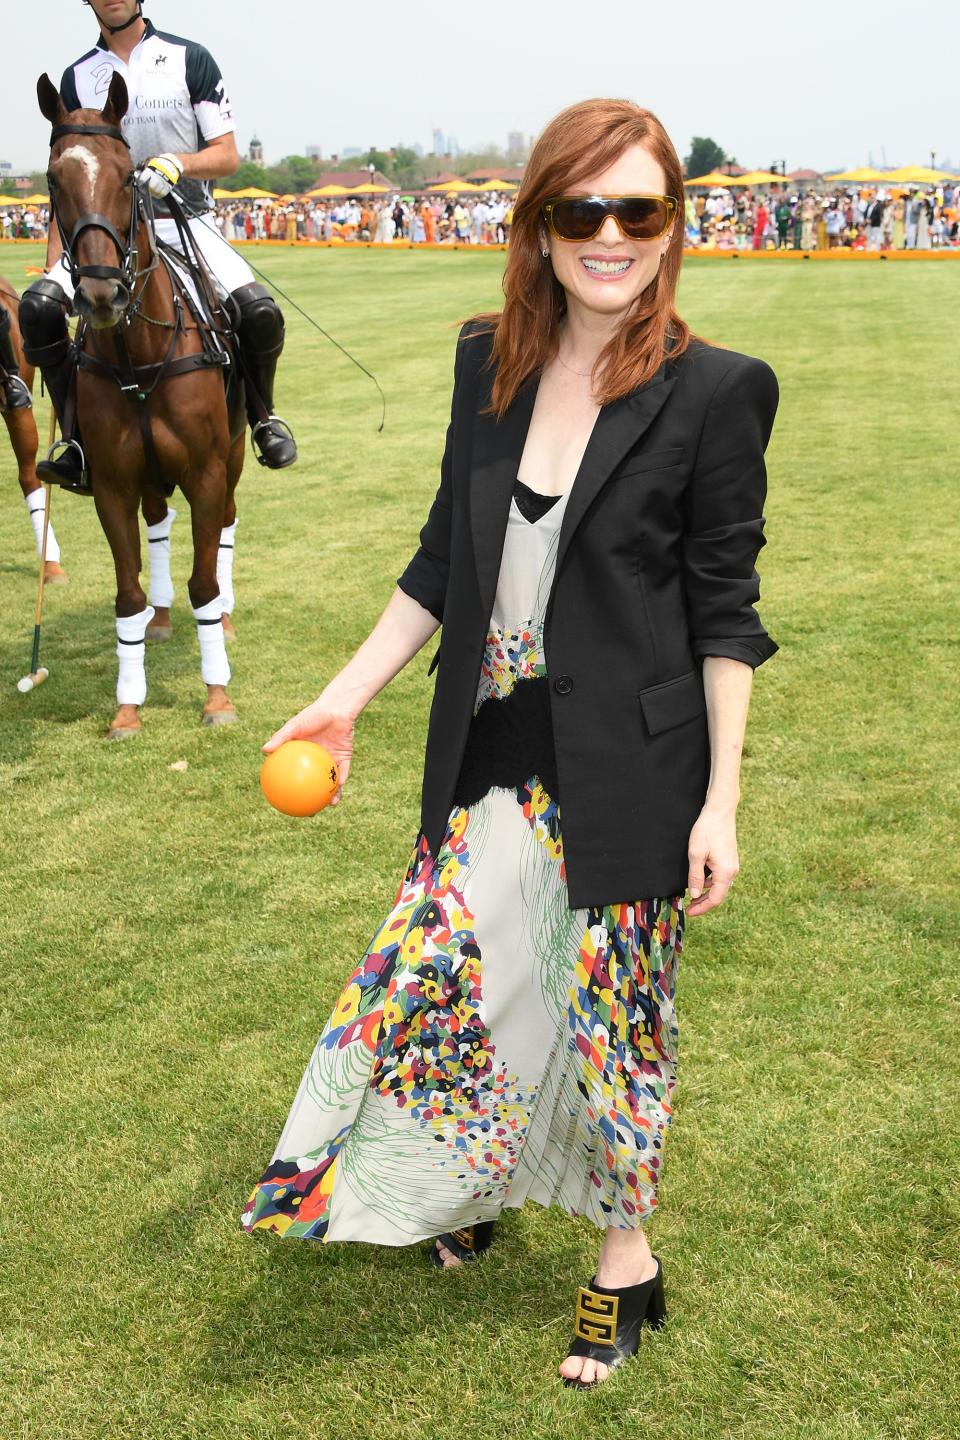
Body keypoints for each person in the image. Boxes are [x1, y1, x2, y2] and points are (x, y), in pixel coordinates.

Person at [240, 97, 779, 1391]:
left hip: (634, 777)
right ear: (537, 225)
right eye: (579, 209)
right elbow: (443, 561)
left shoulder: (717, 394)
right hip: (488, 757)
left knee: (610, 1027)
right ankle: (459, 1180)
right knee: (437, 989)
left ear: (671, 229)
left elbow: (725, 614)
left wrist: (721, 804)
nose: (608, 235)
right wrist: (344, 698)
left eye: (636, 210)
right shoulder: (489, 361)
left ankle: (626, 1264)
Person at [19, 0, 297, 494]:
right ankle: (74, 439)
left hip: (184, 221)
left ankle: (262, 417)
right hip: (103, 237)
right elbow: (65, 176)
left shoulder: (190, 59)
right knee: (38, 310)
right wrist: (53, 263)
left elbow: (228, 154)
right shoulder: (76, 76)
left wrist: (178, 164)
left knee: (259, 312)